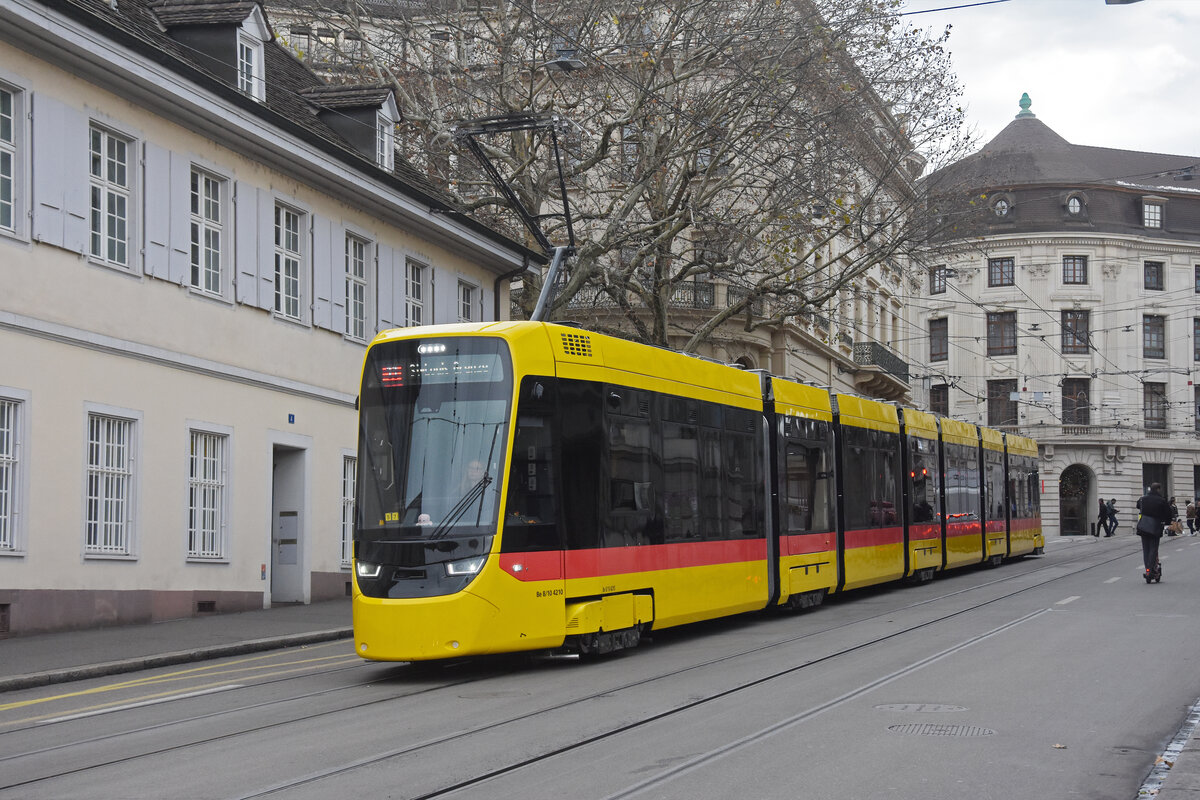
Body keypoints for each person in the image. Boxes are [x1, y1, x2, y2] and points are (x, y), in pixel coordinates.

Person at [1135, 483, 1171, 579]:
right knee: (1153, 549)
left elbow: (1138, 505)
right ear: (1158, 489)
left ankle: (1147, 569)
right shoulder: (1161, 500)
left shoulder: (1143, 498)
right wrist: (1167, 522)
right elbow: (1168, 513)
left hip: (1143, 527)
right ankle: (1151, 570)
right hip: (1155, 527)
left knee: (1146, 549)